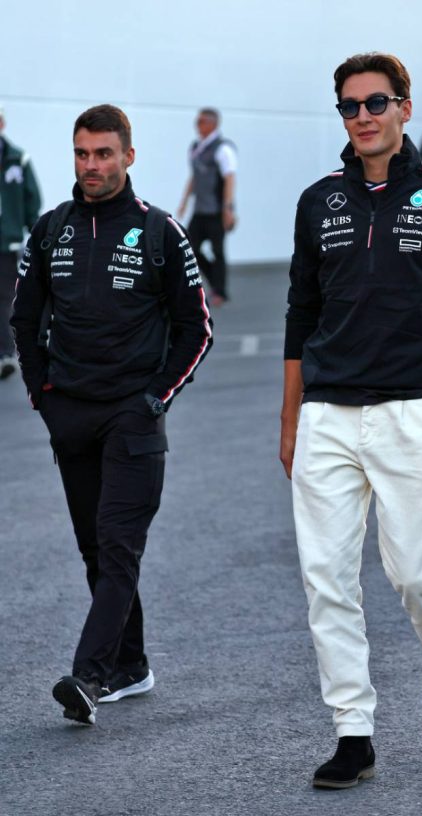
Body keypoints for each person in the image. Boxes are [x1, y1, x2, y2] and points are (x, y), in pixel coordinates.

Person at [280, 52, 422, 789]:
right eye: (349, 105)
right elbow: (298, 317)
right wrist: (291, 420)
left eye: (377, 102)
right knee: (326, 579)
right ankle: (353, 732)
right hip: (328, 416)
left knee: (413, 574)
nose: (363, 115)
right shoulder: (318, 201)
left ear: (405, 108)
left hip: (415, 412)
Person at [11, 104, 213, 726]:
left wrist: (155, 399)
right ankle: (132, 665)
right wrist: (43, 397)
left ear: (129, 155)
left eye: (104, 153)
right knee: (96, 551)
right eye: (82, 154)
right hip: (69, 413)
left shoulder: (160, 233)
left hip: (133, 417)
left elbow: (196, 329)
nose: (92, 165)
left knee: (120, 547)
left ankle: (90, 676)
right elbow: (22, 320)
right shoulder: (51, 230)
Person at [177, 107, 236, 307]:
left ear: (212, 124)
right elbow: (194, 176)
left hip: (217, 210)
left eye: (201, 121)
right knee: (189, 248)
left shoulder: (223, 149)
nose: (197, 125)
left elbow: (230, 178)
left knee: (218, 251)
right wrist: (184, 201)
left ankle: (221, 292)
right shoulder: (195, 147)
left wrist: (228, 208)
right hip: (200, 209)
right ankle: (214, 281)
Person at [0, 104, 41, 379]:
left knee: (4, 298)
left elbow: (32, 197)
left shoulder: (18, 159)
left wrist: (32, 230)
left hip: (7, 241)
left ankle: (6, 354)